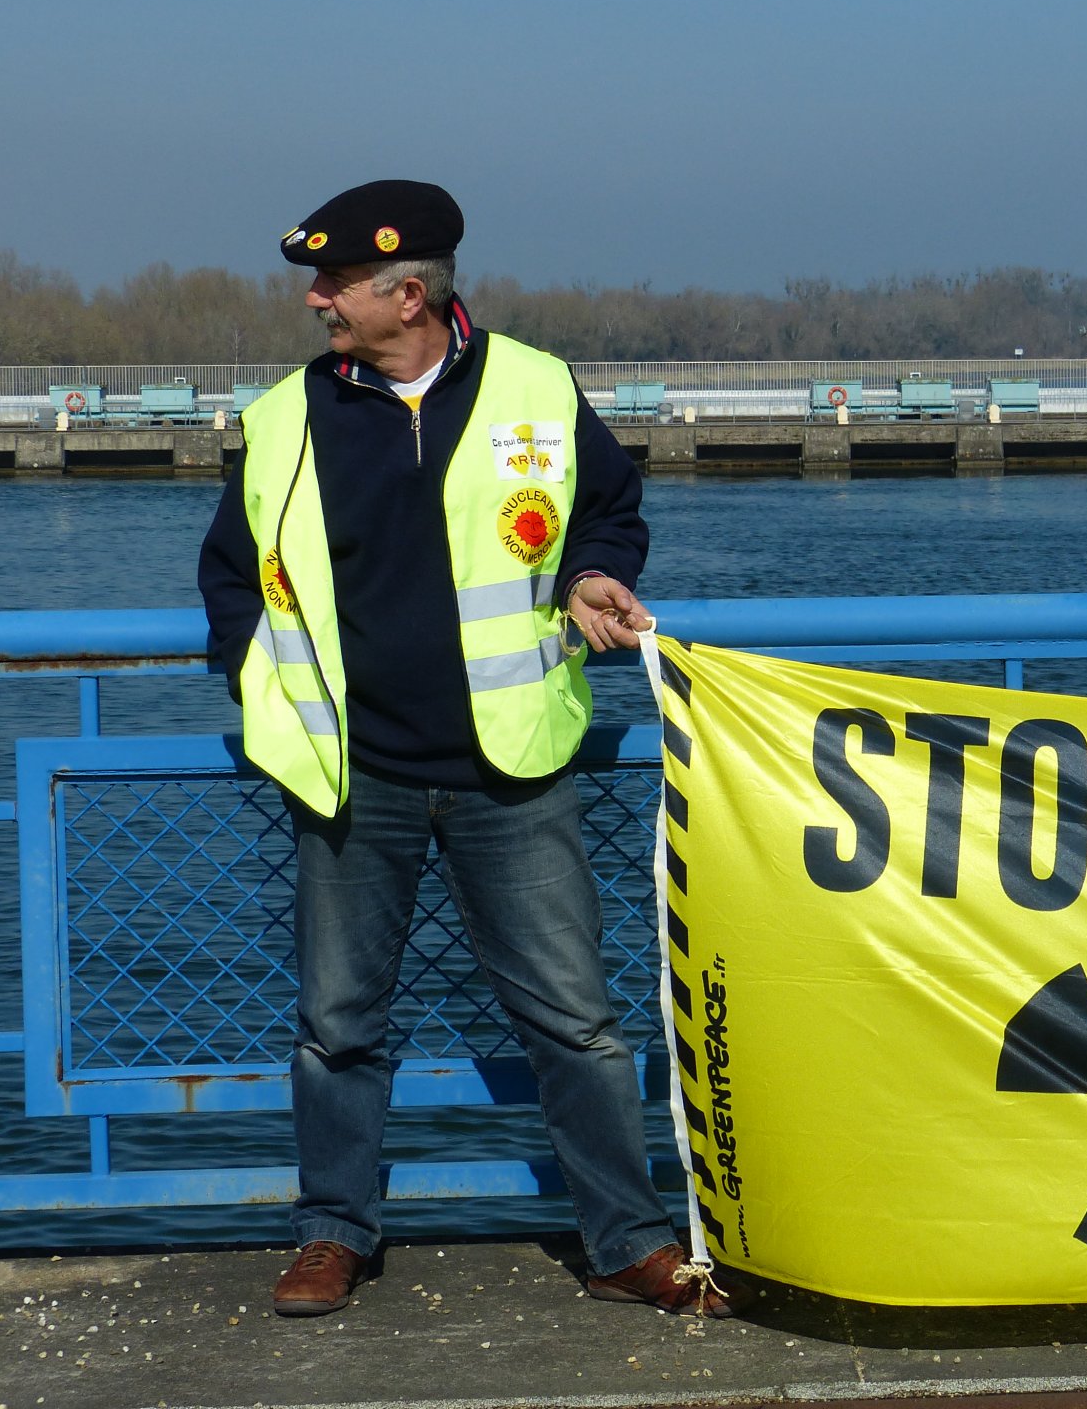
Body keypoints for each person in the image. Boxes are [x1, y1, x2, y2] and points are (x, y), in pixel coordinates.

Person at [199, 180, 745, 1320]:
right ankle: (333, 1233)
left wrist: (594, 572)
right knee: (337, 1028)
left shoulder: (537, 387)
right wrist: (261, 681)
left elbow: (608, 509)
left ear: (408, 294)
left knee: (575, 1024)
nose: (315, 300)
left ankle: (626, 1243)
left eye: (335, 282)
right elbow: (232, 574)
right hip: (350, 777)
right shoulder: (284, 417)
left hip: (513, 770)